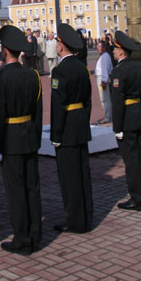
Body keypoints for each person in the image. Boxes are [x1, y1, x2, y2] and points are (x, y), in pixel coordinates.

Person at [0, 25, 42, 255]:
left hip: (10, 138)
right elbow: (38, 112)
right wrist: (36, 138)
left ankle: (22, 238)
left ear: (4, 50)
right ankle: (35, 234)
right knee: (32, 187)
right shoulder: (33, 75)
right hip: (29, 136)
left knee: (16, 191)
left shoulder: (0, 78)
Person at [50, 24, 93, 234]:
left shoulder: (60, 71)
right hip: (80, 125)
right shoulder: (82, 68)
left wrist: (56, 134)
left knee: (69, 176)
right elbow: (88, 101)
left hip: (66, 128)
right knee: (83, 173)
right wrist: (83, 121)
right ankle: (86, 216)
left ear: (61, 46)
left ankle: (74, 219)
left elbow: (58, 106)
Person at [110, 31, 141, 211]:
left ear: (121, 51)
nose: (113, 51)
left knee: (132, 161)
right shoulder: (140, 67)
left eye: (115, 49)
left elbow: (117, 102)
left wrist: (117, 127)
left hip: (127, 118)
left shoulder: (119, 71)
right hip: (138, 115)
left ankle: (137, 198)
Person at [95, 40, 113, 124]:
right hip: (102, 77)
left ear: (104, 48)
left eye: (100, 47)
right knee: (105, 98)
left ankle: (108, 117)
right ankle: (108, 115)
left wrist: (104, 81)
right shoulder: (104, 56)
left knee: (104, 98)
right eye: (98, 46)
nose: (99, 48)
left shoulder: (104, 57)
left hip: (102, 78)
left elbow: (104, 69)